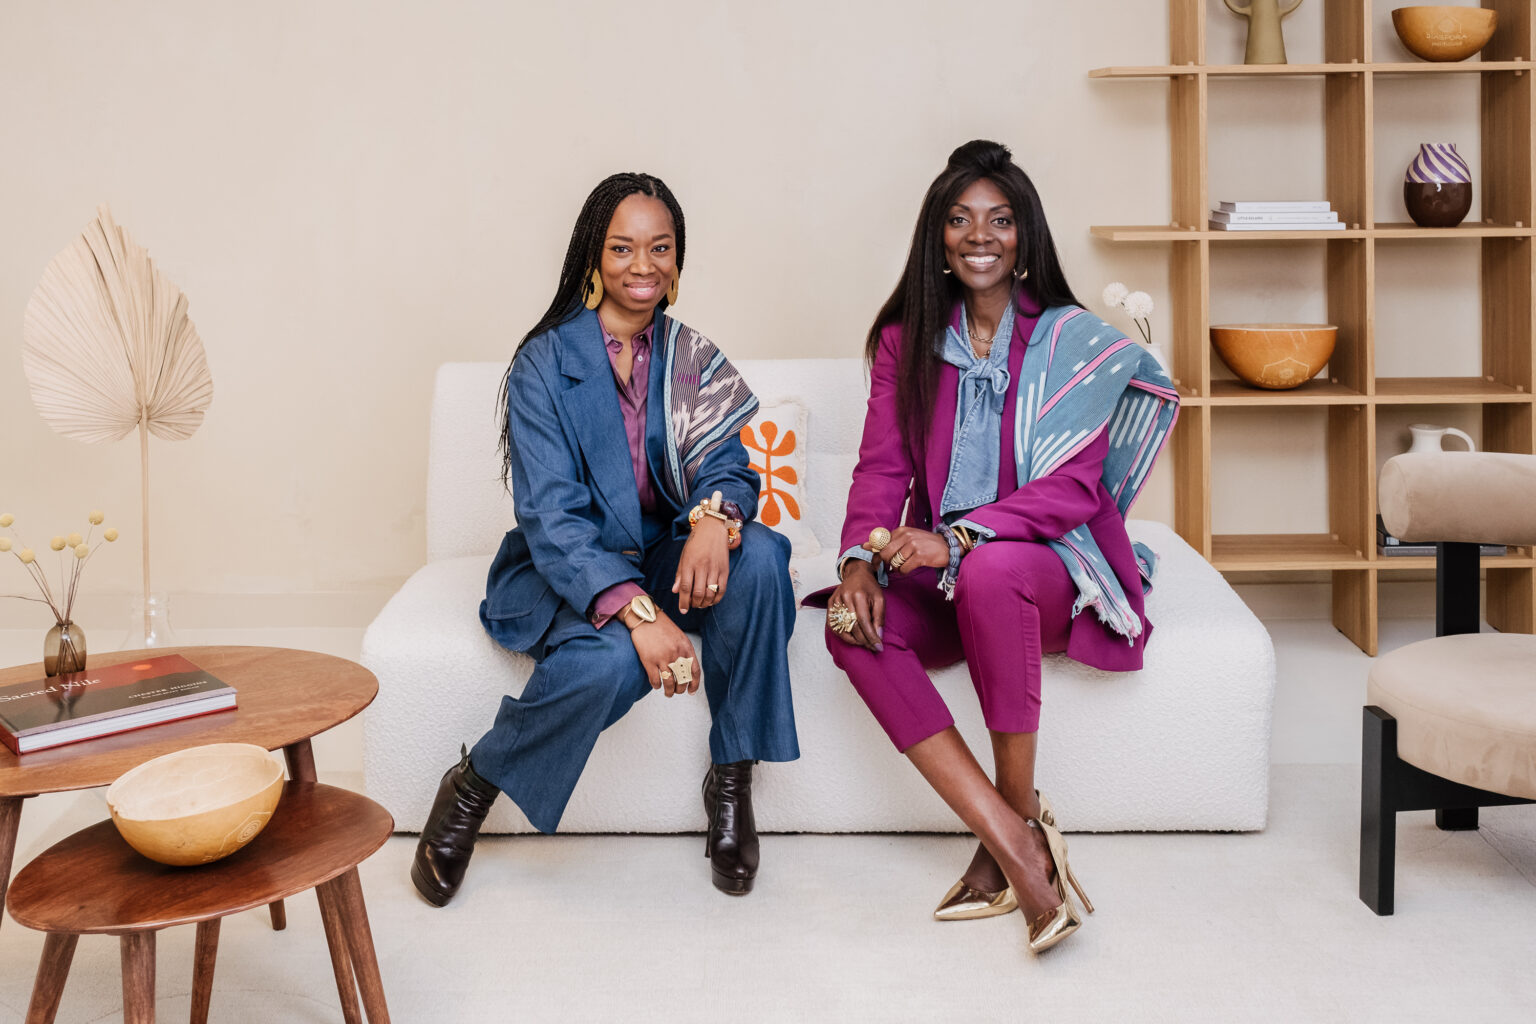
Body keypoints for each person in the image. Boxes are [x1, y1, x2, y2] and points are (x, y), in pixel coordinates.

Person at [819, 140, 1178, 953]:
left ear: (1025, 237)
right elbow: (882, 468)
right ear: (937, 237)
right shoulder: (905, 340)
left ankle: (1009, 844)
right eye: (959, 219)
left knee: (989, 568)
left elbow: (1074, 489)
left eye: (1000, 219)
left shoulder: (1071, 342)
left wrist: (958, 538)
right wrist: (858, 565)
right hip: (942, 572)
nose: (979, 235)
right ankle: (1017, 838)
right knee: (849, 624)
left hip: (1043, 566)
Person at [412, 172, 800, 907]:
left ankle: (731, 780)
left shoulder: (691, 358)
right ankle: (472, 786)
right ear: (594, 254)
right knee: (613, 662)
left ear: (678, 259)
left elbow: (728, 465)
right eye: (622, 248)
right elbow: (551, 516)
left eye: (660, 248)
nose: (642, 265)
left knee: (759, 558)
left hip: (663, 554)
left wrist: (713, 520)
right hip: (569, 569)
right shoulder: (543, 363)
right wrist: (637, 613)